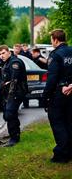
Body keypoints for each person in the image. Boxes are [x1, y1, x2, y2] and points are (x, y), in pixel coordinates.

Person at [43, 29, 72, 163]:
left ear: (55, 39)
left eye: (51, 39)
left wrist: (45, 96)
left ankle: (61, 154)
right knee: (69, 122)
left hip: (59, 92)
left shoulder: (55, 55)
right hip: (70, 90)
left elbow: (52, 78)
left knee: (57, 122)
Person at [0, 45, 28, 147]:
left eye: (3, 53)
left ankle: (14, 138)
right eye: (0, 54)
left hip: (16, 92)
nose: (1, 56)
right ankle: (13, 134)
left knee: (10, 113)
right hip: (9, 92)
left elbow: (15, 80)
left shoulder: (15, 62)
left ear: (9, 52)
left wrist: (10, 93)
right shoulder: (6, 63)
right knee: (8, 114)